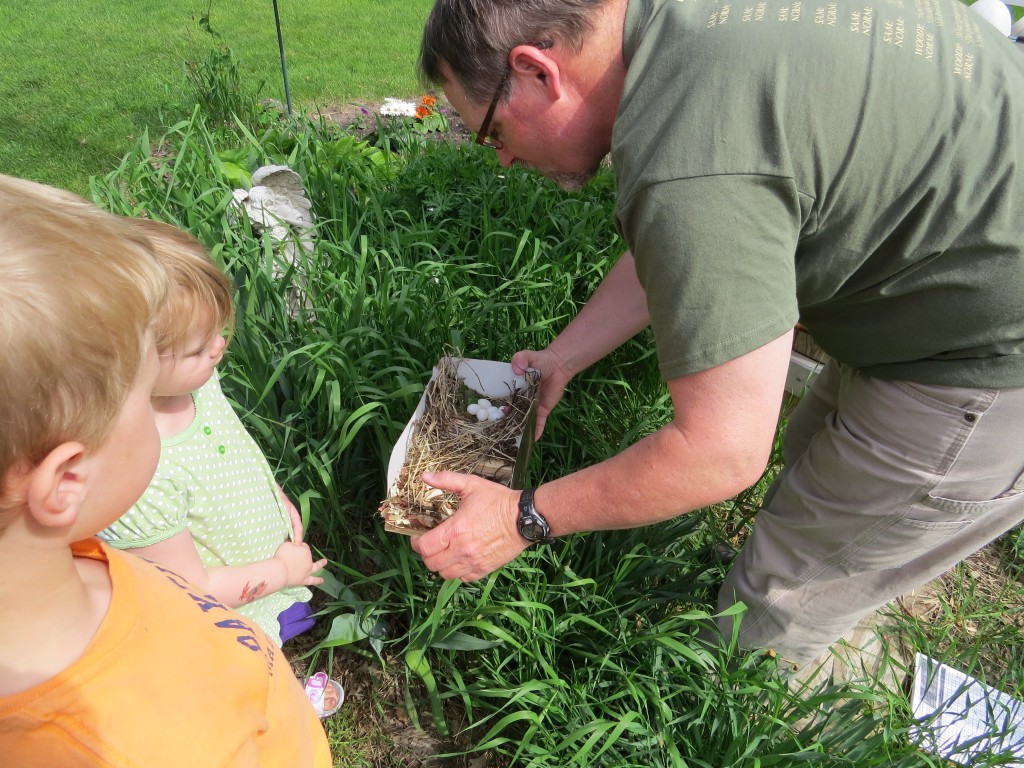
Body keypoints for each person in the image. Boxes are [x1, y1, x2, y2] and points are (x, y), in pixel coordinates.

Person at [411, 0, 1024, 667]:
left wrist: (522, 517)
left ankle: (765, 705)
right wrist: (563, 357)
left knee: (778, 602)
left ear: (536, 71)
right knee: (810, 469)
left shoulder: (688, 141)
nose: (501, 161)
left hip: (989, 353)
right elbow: (696, 239)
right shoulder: (681, 29)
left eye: (493, 133)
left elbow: (722, 454)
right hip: (952, 267)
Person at [0, 174, 332, 765]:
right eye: (139, 387)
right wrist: (280, 570)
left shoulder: (99, 566)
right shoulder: (153, 742)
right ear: (67, 478)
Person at [98, 218, 327, 647]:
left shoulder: (196, 383)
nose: (220, 346)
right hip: (230, 618)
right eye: (197, 348)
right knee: (256, 675)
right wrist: (280, 573)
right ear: (131, 366)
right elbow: (190, 589)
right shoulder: (138, 475)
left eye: (218, 331)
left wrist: (273, 495)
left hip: (265, 561)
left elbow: (233, 447)